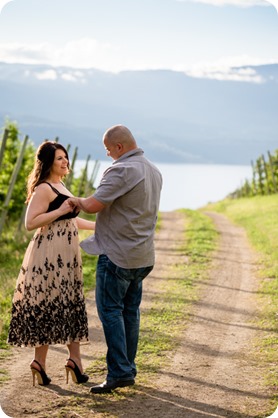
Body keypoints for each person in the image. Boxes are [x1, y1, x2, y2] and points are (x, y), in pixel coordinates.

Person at [68, 124, 162, 394]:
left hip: (118, 255)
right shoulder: (153, 169)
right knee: (130, 313)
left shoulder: (121, 169)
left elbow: (94, 204)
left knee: (111, 312)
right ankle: (127, 368)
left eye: (109, 150)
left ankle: (119, 372)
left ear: (119, 147)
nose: (109, 155)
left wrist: (75, 200)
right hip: (143, 255)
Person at [8, 140, 95, 386]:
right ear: (48, 163)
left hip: (67, 255)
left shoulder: (61, 185)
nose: (65, 161)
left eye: (66, 157)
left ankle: (67, 360)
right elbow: (31, 223)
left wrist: (100, 227)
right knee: (49, 302)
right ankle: (59, 361)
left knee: (67, 301)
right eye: (60, 158)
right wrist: (59, 211)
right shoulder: (44, 189)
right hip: (48, 255)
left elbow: (71, 221)